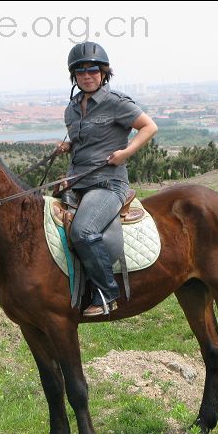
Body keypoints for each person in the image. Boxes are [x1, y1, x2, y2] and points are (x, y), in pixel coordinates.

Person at [56, 41, 158, 317]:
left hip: (108, 183)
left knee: (83, 231)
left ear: (103, 73)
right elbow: (83, 145)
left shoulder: (116, 103)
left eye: (92, 70)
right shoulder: (72, 108)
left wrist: (125, 153)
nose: (87, 76)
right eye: (80, 72)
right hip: (77, 182)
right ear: (74, 77)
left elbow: (149, 127)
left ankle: (106, 293)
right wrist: (68, 147)